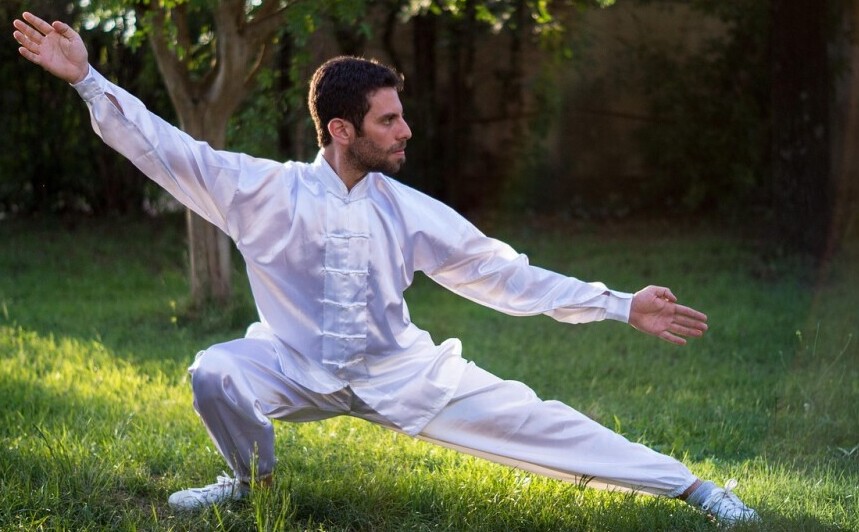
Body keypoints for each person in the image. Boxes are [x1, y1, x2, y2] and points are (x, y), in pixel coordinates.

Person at [13, 11, 759, 525]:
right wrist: (86, 80)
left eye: (401, 116)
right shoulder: (259, 191)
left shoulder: (410, 211)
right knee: (214, 371)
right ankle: (248, 486)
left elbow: (504, 275)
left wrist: (617, 303)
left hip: (403, 375)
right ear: (341, 130)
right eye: (388, 120)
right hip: (292, 365)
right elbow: (161, 146)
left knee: (544, 424)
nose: (406, 130)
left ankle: (695, 490)